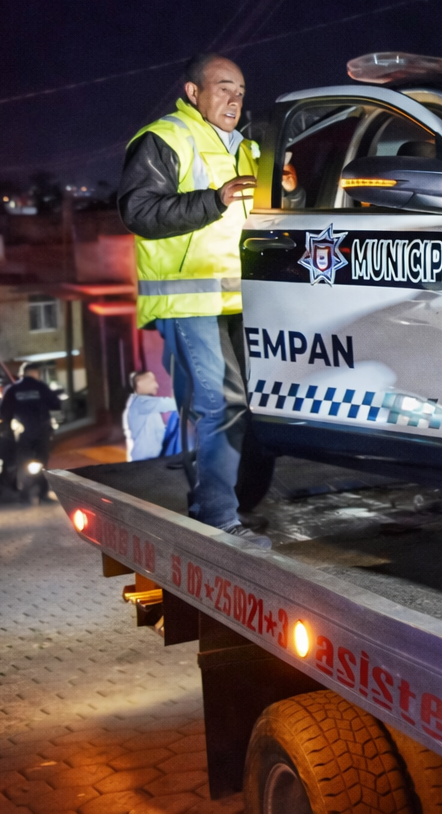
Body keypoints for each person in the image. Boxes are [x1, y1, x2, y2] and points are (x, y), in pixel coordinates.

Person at [118, 53, 290, 547]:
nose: (234, 99)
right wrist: (215, 198)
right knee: (219, 406)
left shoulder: (247, 147)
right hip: (188, 300)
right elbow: (139, 211)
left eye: (240, 91)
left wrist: (285, 189)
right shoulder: (165, 137)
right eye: (222, 88)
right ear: (194, 92)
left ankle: (222, 507)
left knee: (230, 407)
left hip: (240, 300)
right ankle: (216, 519)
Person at [0, 363, 61, 503]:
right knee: (42, 462)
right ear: (34, 373)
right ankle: (42, 494)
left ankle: (25, 495)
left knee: (23, 462)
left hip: (22, 433)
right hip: (42, 431)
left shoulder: (13, 389)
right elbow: (55, 404)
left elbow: (3, 411)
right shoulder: (42, 387)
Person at [123, 370, 180, 462]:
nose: (156, 385)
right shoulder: (142, 403)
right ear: (139, 384)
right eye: (152, 381)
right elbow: (174, 404)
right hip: (144, 462)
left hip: (152, 460)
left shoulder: (147, 407)